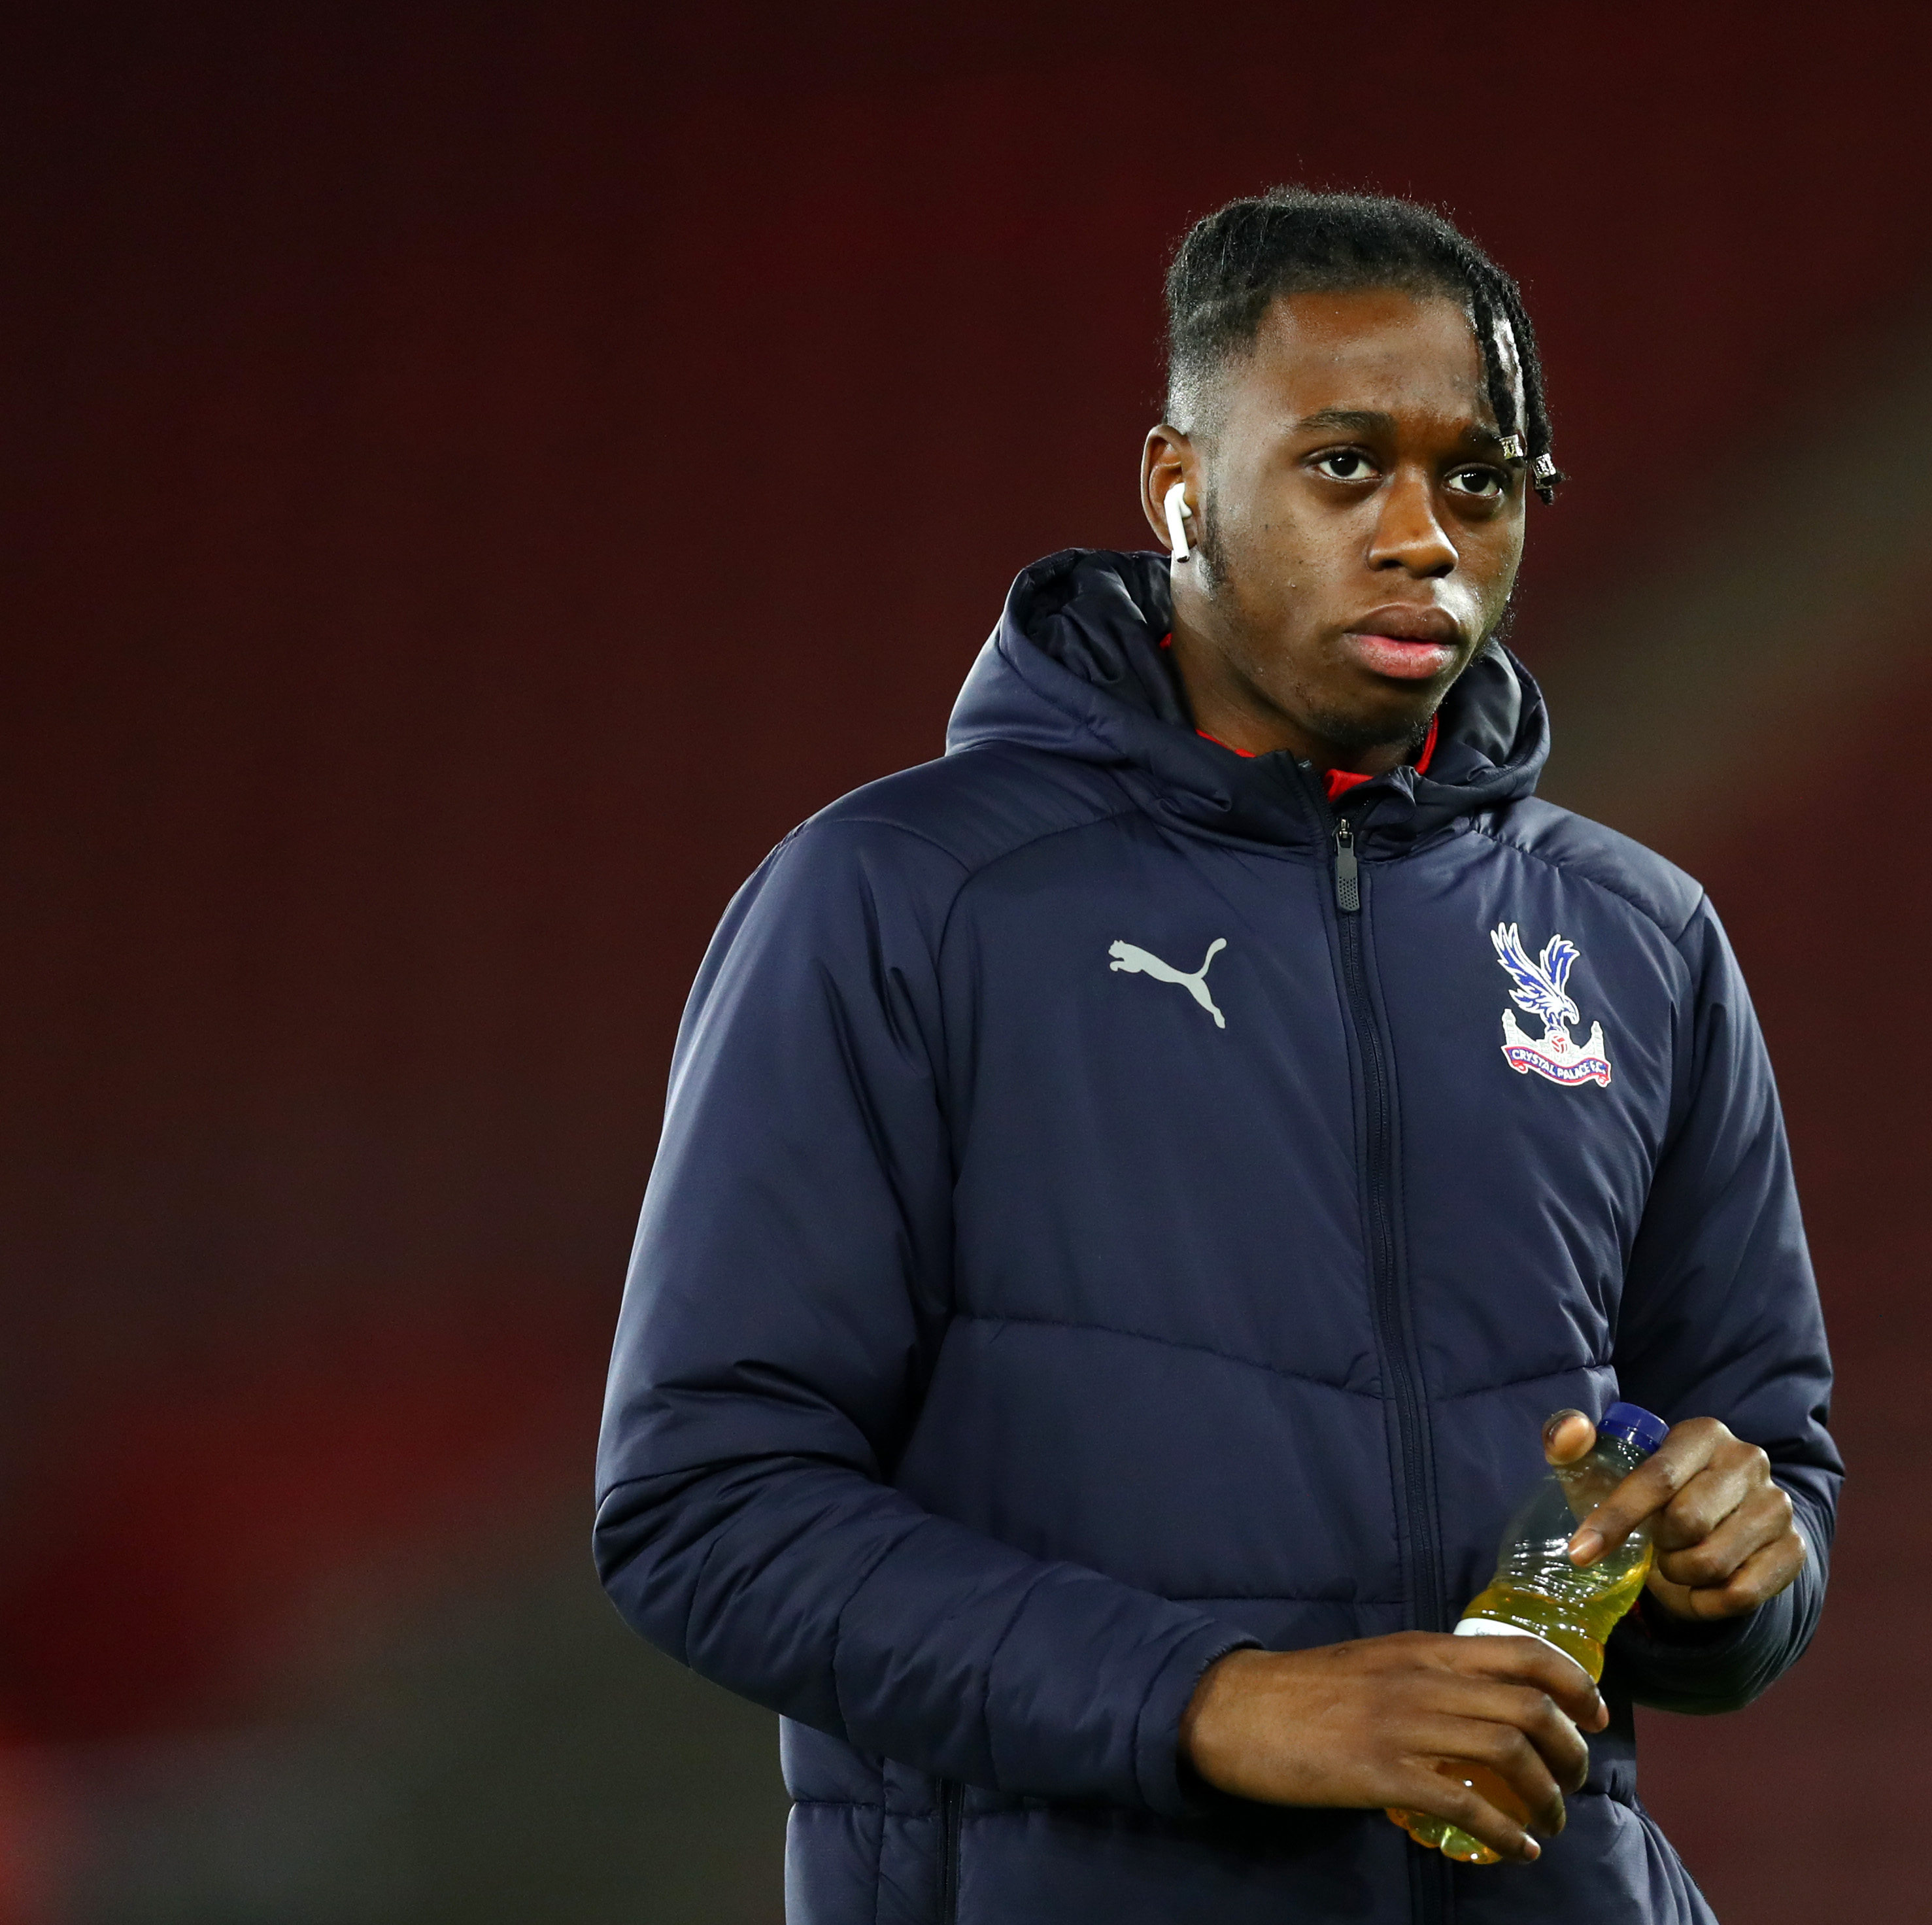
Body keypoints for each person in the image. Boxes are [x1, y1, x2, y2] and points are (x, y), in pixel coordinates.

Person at [596, 188, 1840, 1925]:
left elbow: (1766, 1468)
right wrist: (1219, 1702)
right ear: (1180, 489)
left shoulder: (1641, 943)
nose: (1424, 535)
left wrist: (1735, 1567)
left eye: (1479, 482)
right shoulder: (896, 900)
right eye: (1347, 467)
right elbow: (707, 1509)